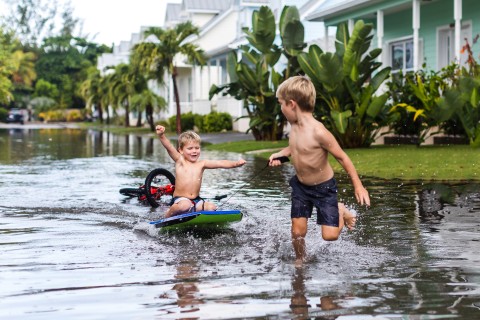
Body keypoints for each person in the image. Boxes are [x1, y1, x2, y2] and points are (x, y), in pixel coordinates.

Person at [268, 76, 370, 265]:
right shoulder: (294, 127)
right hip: (301, 187)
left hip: (324, 188)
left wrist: (358, 186)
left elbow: (342, 157)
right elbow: (295, 148)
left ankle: (340, 210)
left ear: (291, 104)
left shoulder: (319, 132)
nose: (280, 109)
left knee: (330, 236)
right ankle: (300, 259)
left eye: (281, 104)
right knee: (297, 230)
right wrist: (280, 155)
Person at [156, 125, 246, 218]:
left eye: (197, 148)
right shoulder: (180, 161)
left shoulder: (202, 164)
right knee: (184, 206)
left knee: (211, 207)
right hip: (181, 200)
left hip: (196, 201)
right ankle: (166, 215)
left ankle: (198, 218)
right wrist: (161, 135)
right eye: (190, 148)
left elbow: (220, 163)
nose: (194, 151)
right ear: (181, 150)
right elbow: (169, 147)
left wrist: (235, 164)